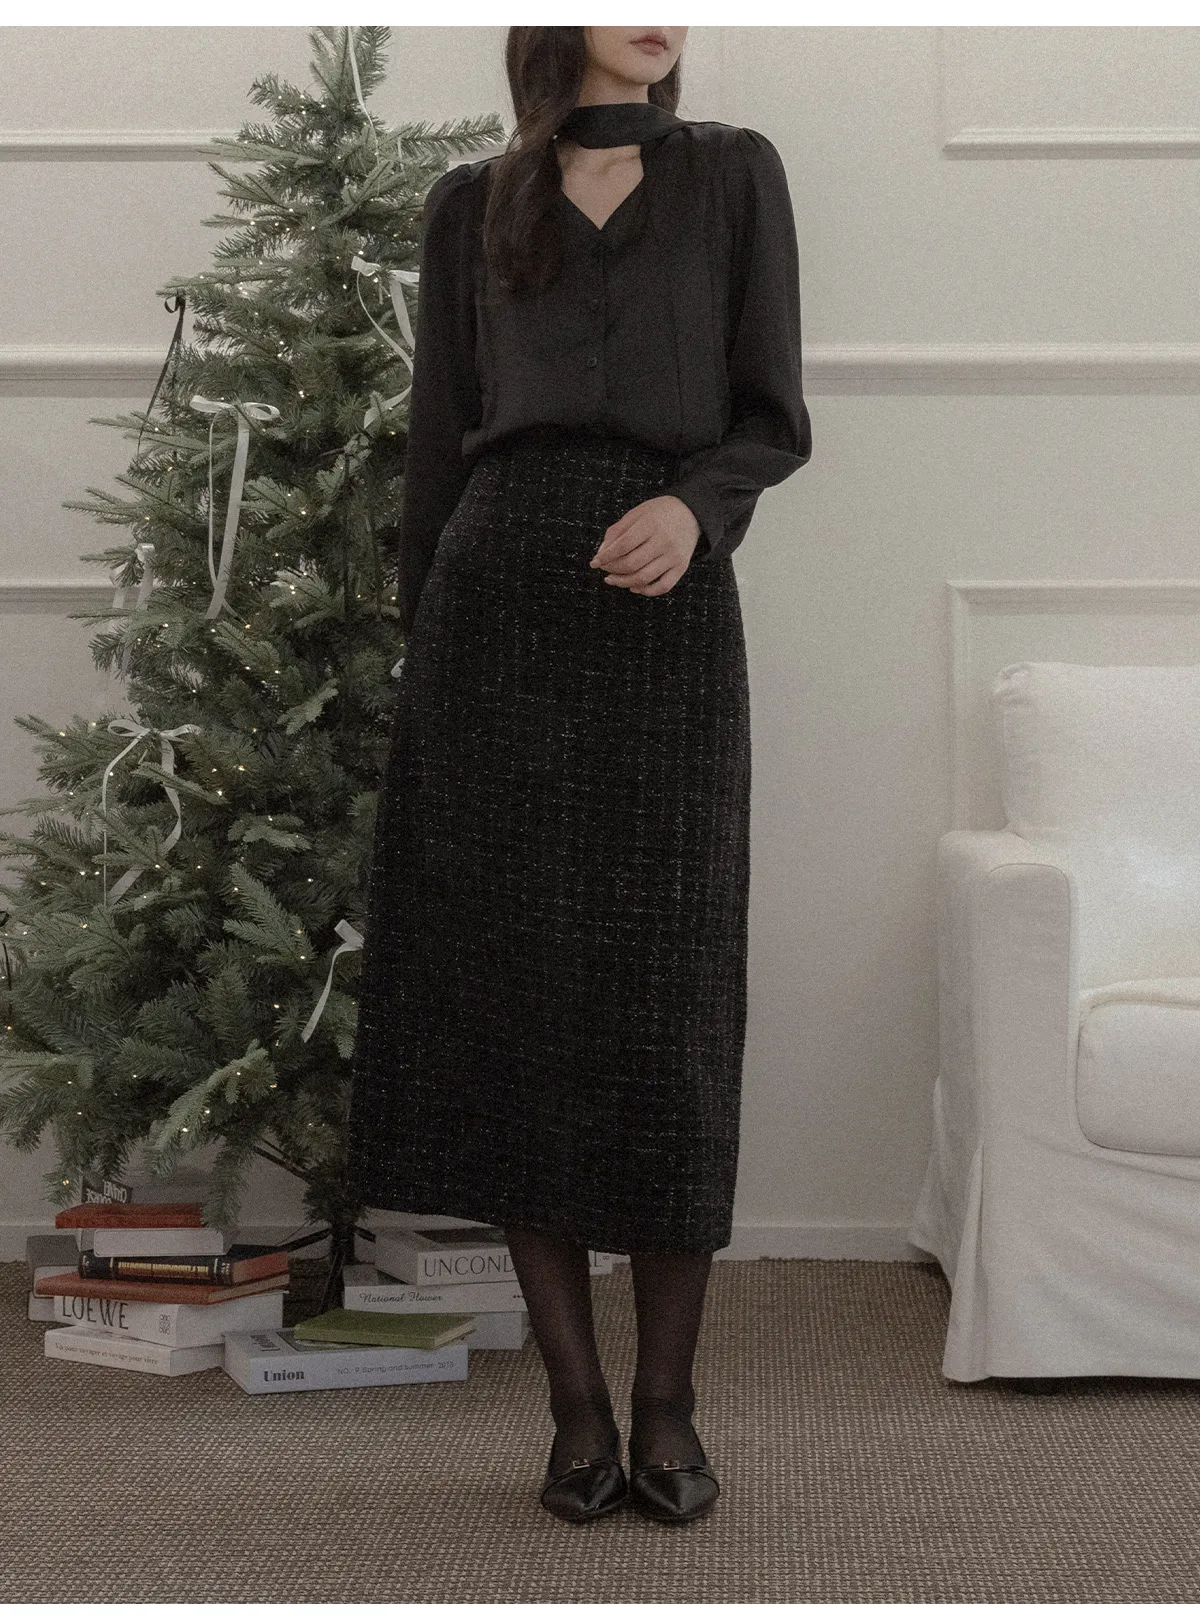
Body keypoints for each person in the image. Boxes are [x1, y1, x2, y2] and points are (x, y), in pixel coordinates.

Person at [346, 24, 812, 1525]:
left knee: (670, 1004)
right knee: (521, 1002)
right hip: (496, 613)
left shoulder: (733, 176)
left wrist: (698, 509)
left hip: (667, 609)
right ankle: (576, 1413)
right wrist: (425, 651)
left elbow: (771, 413)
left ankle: (668, 1406)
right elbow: (439, 443)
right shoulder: (471, 202)